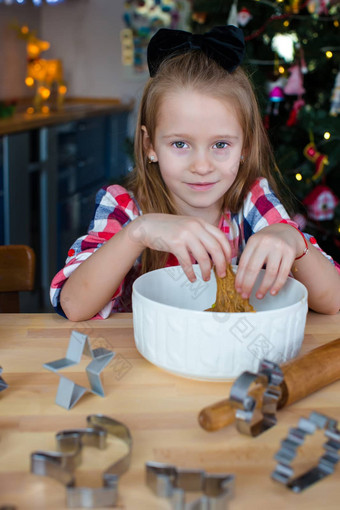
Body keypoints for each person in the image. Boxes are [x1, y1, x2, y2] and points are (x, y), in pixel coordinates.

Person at [51, 26, 340, 321]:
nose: (201, 166)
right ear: (150, 145)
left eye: (220, 144)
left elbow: (334, 301)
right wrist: (138, 233)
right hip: (147, 359)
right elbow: (74, 305)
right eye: (180, 143)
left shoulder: (251, 201)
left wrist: (294, 241)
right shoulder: (124, 206)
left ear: (245, 146)